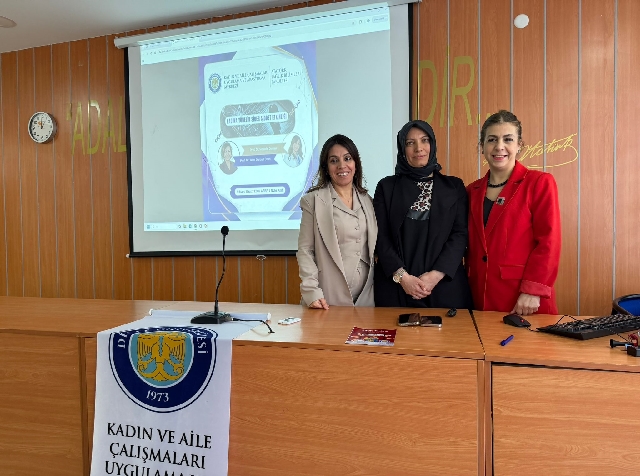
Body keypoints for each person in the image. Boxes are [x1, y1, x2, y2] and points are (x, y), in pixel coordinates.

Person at [466, 110, 561, 315]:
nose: (499, 146)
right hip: (478, 298)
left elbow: (549, 241)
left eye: (507, 139)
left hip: (524, 300)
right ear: (482, 146)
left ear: (519, 145)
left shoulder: (539, 183)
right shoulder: (470, 191)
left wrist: (533, 290)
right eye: (492, 139)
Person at [373, 120, 473, 309]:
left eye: (424, 140)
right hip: (396, 288)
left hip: (444, 287)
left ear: (432, 144)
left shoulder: (454, 187)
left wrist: (435, 275)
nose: (418, 148)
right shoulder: (386, 187)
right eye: (410, 143)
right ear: (402, 149)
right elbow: (380, 237)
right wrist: (403, 277)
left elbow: (460, 235)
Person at [297, 134, 377, 308]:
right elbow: (305, 250)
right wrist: (311, 291)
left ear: (355, 163)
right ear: (326, 167)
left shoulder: (368, 201)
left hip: (365, 299)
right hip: (327, 298)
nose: (342, 166)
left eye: (347, 158)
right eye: (334, 161)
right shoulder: (313, 201)